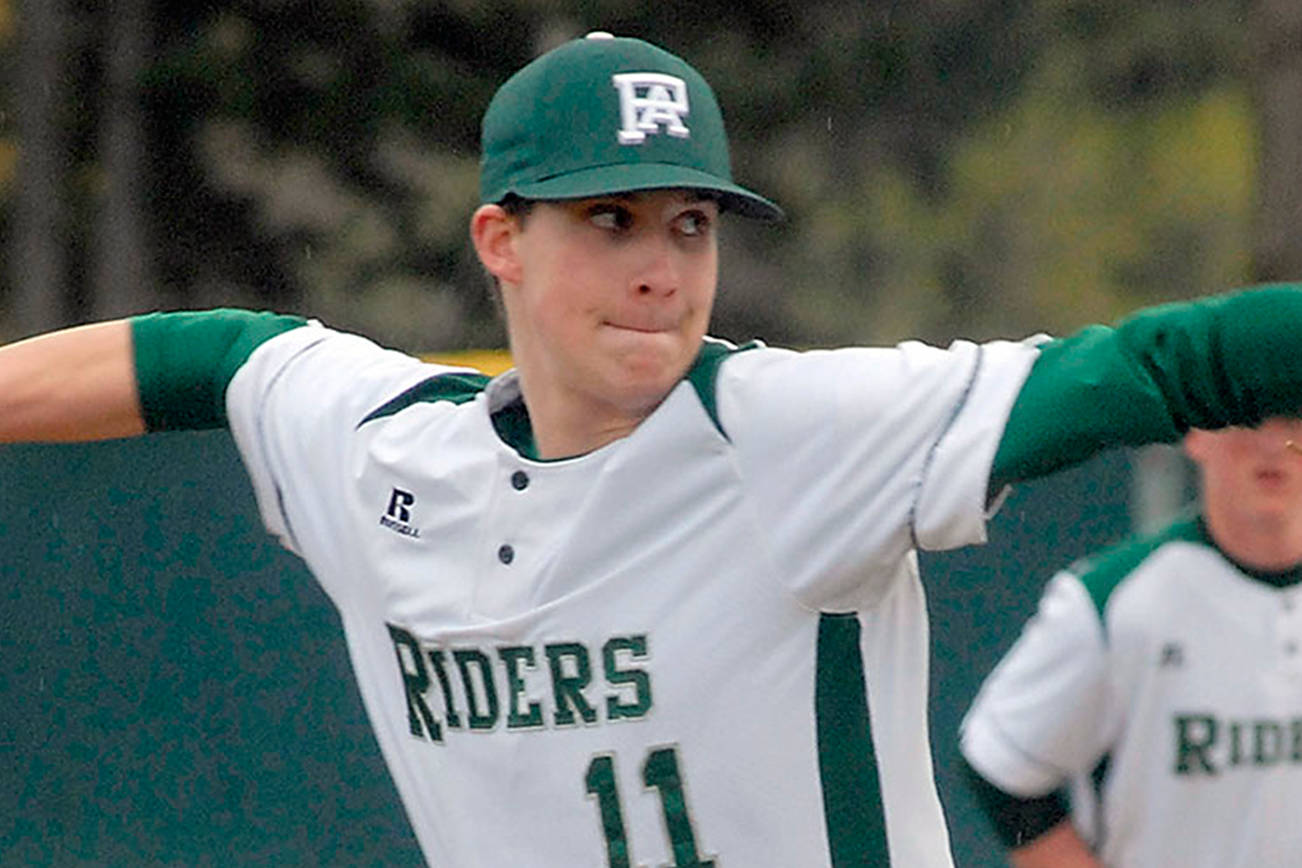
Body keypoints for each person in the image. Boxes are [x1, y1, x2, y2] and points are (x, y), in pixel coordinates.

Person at [5, 30, 1302, 868]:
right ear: (499, 243)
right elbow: (210, 360)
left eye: (689, 225)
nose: (657, 267)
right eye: (609, 219)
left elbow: (1157, 367)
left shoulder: (792, 430)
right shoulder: (384, 455)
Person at [958, 420, 1302, 867]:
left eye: (1294, 417)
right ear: (1197, 431)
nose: (1274, 443)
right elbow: (1000, 768)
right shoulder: (1115, 599)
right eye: (1250, 417)